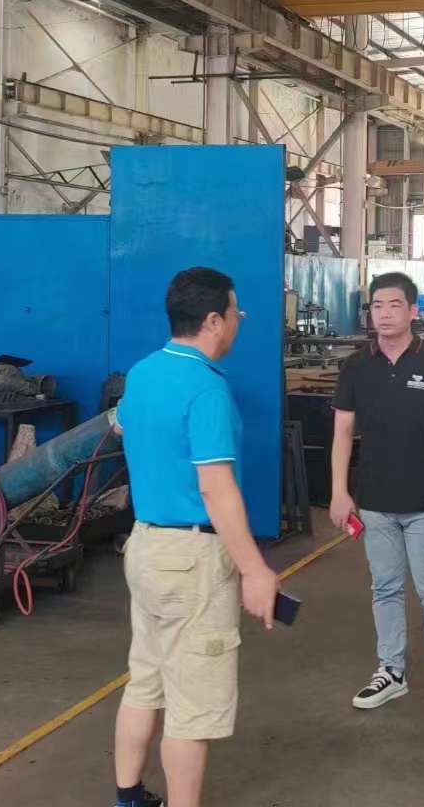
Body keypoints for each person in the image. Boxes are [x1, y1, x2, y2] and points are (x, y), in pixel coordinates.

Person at [111, 267, 279, 807]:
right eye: (235, 313)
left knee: (145, 680)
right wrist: (254, 568)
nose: (238, 323)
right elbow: (216, 489)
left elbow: (120, 424)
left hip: (146, 547)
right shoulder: (206, 388)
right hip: (191, 560)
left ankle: (129, 796)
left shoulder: (143, 372)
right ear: (212, 320)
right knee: (192, 709)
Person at [330, 272, 424, 715]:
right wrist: (339, 491)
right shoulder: (356, 366)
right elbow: (342, 432)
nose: (384, 314)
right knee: (384, 587)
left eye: (394, 305)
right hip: (375, 501)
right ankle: (392, 671)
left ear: (413, 311)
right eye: (377, 306)